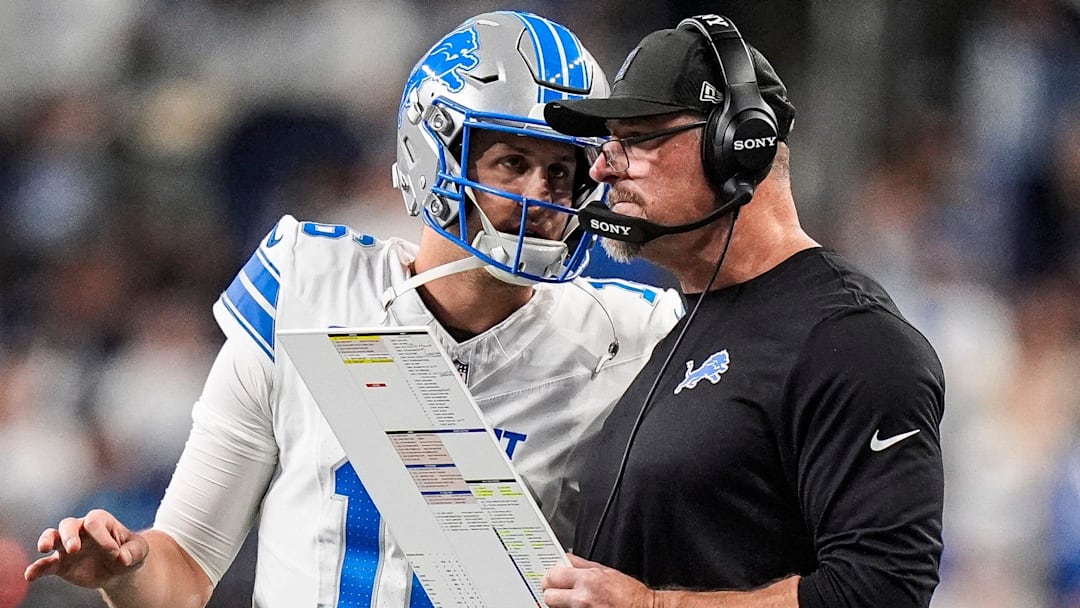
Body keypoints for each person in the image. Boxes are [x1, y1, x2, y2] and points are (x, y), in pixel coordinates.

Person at [23, 11, 684, 607]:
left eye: (564, 171)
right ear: (434, 153)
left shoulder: (627, 338)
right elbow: (181, 577)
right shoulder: (310, 287)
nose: (543, 194)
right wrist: (125, 569)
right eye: (512, 161)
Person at [539, 14, 946, 608]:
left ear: (737, 144)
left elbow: (883, 589)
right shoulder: (681, 333)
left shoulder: (854, 341)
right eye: (608, 143)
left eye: (637, 138)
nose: (602, 167)